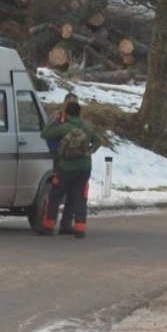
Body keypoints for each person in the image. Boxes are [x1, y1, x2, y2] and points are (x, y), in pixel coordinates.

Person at [40, 101, 101, 239]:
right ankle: (80, 228)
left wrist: (55, 120)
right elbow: (98, 141)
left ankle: (49, 226)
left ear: (66, 113)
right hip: (84, 168)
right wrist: (90, 151)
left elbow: (44, 134)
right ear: (80, 113)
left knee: (55, 196)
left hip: (65, 167)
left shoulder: (63, 128)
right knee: (80, 197)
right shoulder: (87, 127)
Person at [45, 92, 78, 234]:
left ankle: (66, 224)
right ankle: (49, 224)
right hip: (60, 161)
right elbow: (49, 137)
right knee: (56, 193)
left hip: (74, 161)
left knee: (73, 193)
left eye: (75, 103)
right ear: (64, 103)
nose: (73, 106)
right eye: (70, 103)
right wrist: (57, 153)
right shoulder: (57, 119)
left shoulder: (77, 119)